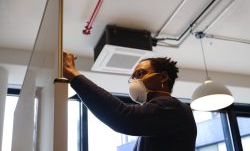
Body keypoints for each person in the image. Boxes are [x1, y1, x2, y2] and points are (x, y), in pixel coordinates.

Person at [63, 51, 197, 151]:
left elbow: (122, 116)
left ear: (162, 77)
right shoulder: (157, 118)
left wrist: (72, 74)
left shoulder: (172, 108)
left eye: (140, 74)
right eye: (132, 78)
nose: (135, 82)